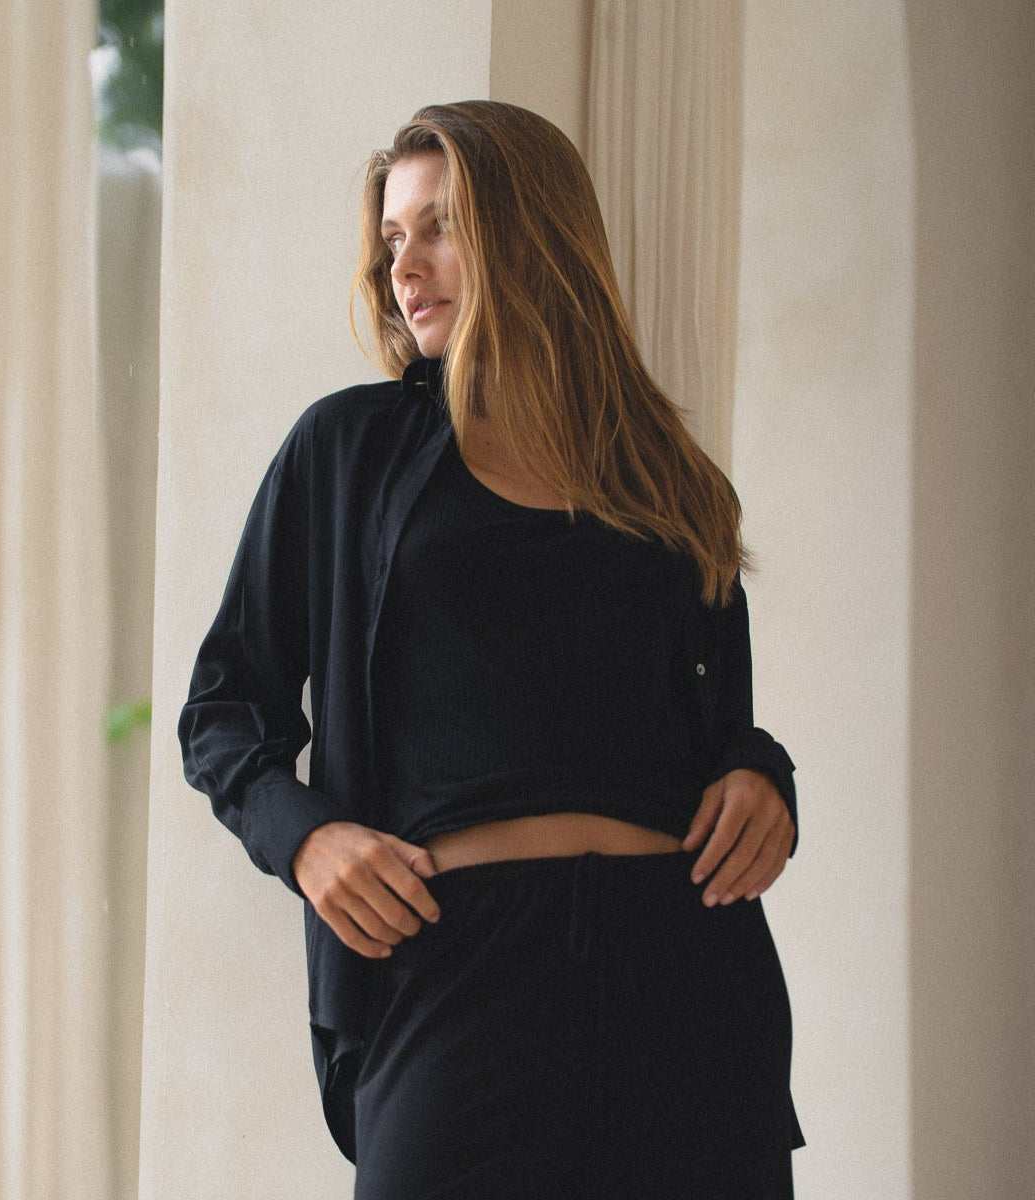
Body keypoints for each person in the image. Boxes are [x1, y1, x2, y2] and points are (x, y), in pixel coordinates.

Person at [180, 100, 803, 1199]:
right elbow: (225, 707)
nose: (402, 269)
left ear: (532, 235)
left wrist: (762, 775)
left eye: (438, 228)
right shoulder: (348, 453)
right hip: (457, 970)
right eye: (390, 240)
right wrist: (309, 842)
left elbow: (717, 728)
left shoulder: (664, 476)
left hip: (684, 969)